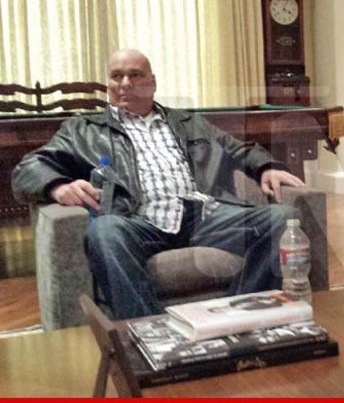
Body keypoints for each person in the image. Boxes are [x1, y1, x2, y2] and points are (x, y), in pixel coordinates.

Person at [12, 49, 305, 320]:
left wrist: (267, 167)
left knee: (281, 218)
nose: (125, 83)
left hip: (202, 215)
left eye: (135, 75)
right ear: (108, 84)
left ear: (152, 82)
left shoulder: (188, 122)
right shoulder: (82, 129)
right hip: (138, 219)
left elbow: (237, 148)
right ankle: (148, 329)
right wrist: (58, 186)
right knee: (105, 230)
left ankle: (235, 317)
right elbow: (28, 167)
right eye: (116, 76)